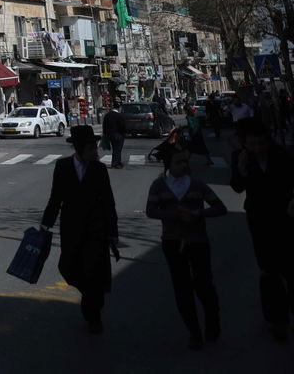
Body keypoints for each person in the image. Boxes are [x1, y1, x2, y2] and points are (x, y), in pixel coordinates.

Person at [41, 125, 120, 334]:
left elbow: (109, 202)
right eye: (91, 149)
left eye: (95, 148)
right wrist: (45, 224)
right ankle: (90, 294)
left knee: (94, 273)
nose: (96, 153)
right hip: (71, 229)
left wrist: (113, 232)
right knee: (67, 267)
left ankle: (94, 316)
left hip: (96, 230)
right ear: (79, 150)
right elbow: (55, 198)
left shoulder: (99, 170)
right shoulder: (63, 167)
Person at [145, 147, 227, 349]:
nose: (184, 165)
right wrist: (174, 215)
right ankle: (194, 332)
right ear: (169, 166)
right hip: (172, 242)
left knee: (204, 284)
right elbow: (151, 211)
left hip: (198, 240)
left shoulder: (197, 185)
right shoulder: (159, 186)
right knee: (182, 288)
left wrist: (198, 213)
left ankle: (212, 321)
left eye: (185, 161)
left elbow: (219, 207)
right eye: (178, 162)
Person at [229, 118, 294, 342]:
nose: (256, 148)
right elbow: (237, 186)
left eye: (260, 143)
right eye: (251, 144)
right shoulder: (241, 158)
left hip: (286, 217)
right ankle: (277, 320)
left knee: (290, 266)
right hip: (259, 220)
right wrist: (241, 167)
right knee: (269, 270)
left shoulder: (282, 155)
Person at [101, 105, 126, 170]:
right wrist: (123, 133)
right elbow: (122, 126)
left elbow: (104, 125)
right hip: (117, 134)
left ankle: (117, 162)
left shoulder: (107, 115)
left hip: (109, 134)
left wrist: (105, 134)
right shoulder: (119, 116)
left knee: (115, 148)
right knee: (117, 149)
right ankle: (115, 163)